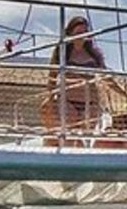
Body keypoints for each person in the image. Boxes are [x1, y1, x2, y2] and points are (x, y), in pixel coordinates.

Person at [43, 15, 105, 145]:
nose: (81, 36)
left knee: (84, 138)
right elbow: (52, 76)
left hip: (91, 102)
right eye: (78, 33)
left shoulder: (94, 54)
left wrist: (126, 95)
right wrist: (50, 98)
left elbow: (106, 76)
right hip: (68, 101)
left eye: (85, 33)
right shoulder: (62, 52)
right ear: (70, 33)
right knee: (71, 136)